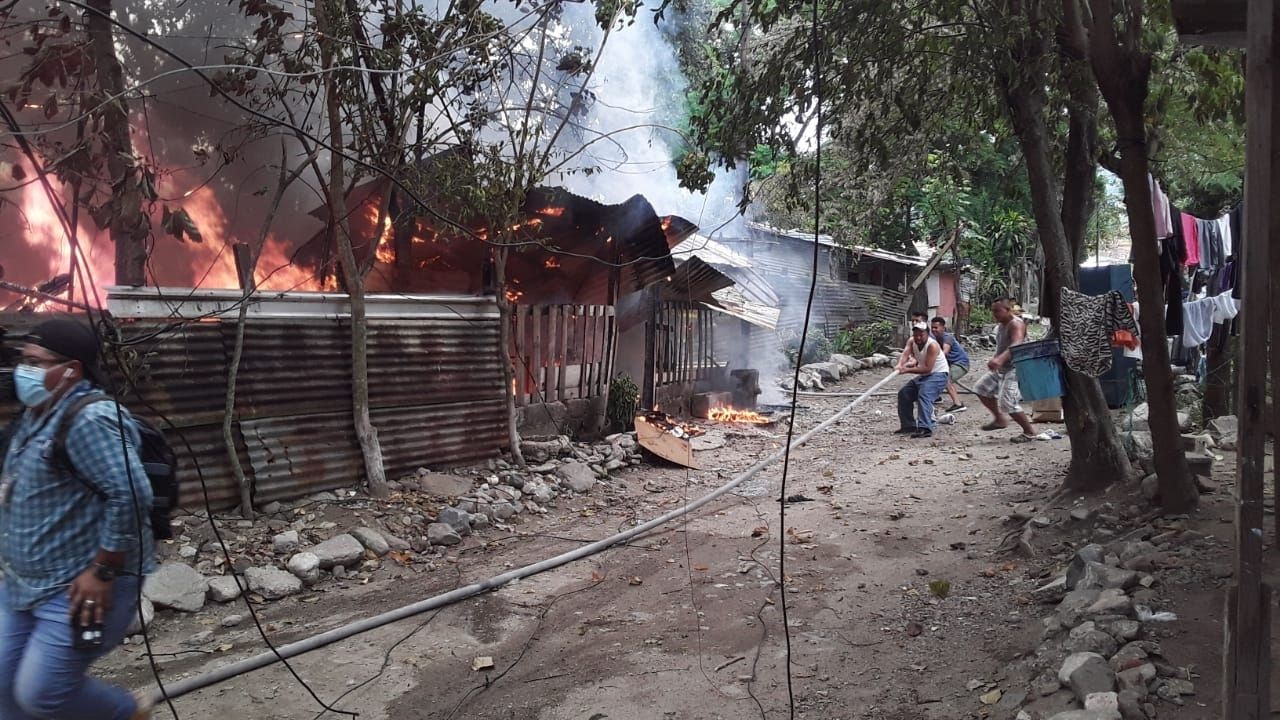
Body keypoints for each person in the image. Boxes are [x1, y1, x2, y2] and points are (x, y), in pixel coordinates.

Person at [0, 318, 155, 720]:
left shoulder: (91, 418)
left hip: (77, 585)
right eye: (23, 360)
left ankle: (127, 713)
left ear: (71, 369)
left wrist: (103, 570)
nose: (24, 370)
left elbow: (132, 492)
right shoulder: (36, 415)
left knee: (42, 693)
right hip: (24, 581)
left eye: (36, 362)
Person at [974, 299, 1038, 442]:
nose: (994, 314)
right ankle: (999, 419)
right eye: (993, 311)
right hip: (1002, 368)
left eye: (997, 311)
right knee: (981, 389)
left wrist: (1000, 359)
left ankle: (1029, 432)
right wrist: (997, 359)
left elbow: (1017, 343)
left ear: (1008, 310)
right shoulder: (1001, 326)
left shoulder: (1016, 324)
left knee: (1007, 402)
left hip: (1017, 367)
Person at [894, 322, 950, 439]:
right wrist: (900, 364)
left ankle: (925, 428)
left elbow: (927, 369)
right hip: (925, 375)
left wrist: (906, 370)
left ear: (927, 334)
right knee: (904, 393)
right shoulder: (911, 341)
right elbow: (905, 353)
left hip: (939, 375)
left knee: (924, 394)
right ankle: (908, 425)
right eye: (916, 335)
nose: (918, 338)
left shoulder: (932, 346)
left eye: (921, 335)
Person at [930, 316, 969, 413]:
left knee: (945, 379)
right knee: (932, 375)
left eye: (936, 328)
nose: (934, 330)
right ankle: (936, 397)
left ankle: (958, 404)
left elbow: (944, 353)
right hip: (950, 364)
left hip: (961, 364)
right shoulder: (934, 338)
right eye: (932, 327)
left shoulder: (948, 337)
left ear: (943, 328)